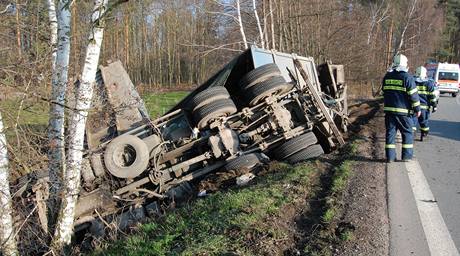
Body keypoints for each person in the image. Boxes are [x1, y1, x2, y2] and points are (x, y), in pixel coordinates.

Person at [382, 54, 421, 162]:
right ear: (405, 64)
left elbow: (383, 92)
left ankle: (390, 157)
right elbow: (414, 96)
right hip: (404, 113)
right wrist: (417, 110)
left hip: (389, 112)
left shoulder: (387, 76)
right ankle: (406, 157)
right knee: (407, 133)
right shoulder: (407, 77)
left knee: (390, 134)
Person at [412, 66, 437, 141]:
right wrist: (434, 106)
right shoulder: (429, 84)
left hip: (413, 106)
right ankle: (424, 133)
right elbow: (432, 96)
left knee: (413, 121)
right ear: (425, 74)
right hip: (424, 108)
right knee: (424, 121)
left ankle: (411, 135)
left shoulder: (412, 82)